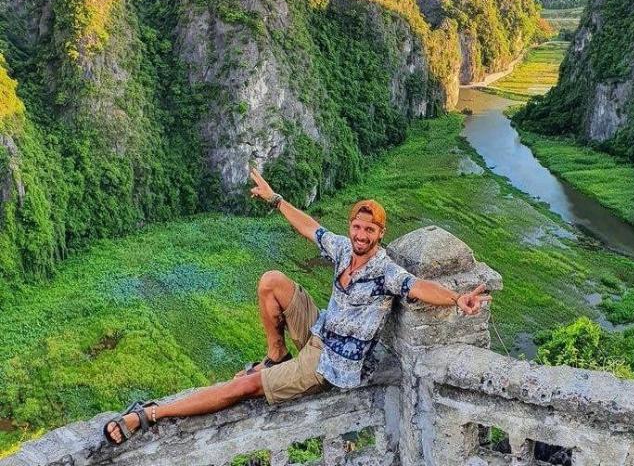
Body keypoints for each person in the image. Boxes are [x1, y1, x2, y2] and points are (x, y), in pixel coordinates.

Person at [104, 168, 491, 445]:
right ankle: (276, 355)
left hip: (330, 362)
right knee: (271, 281)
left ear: (379, 234)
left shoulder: (385, 271)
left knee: (245, 386)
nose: (360, 235)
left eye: (369, 230)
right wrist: (276, 200)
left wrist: (458, 298)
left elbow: (418, 286)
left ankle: (151, 413)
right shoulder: (342, 248)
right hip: (319, 330)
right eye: (357, 227)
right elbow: (309, 227)